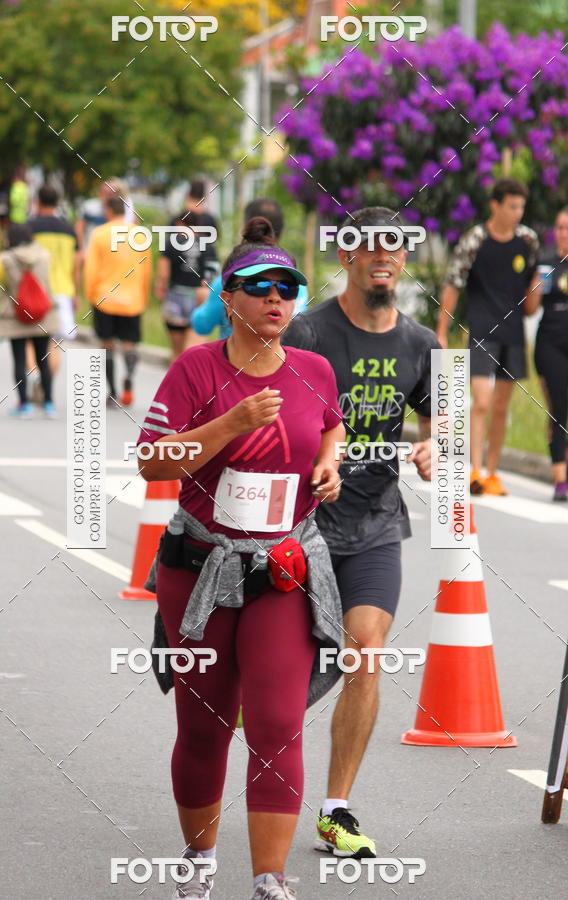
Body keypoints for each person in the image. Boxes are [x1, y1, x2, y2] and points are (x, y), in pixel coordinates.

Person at [138, 217, 346, 900]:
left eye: (288, 287)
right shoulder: (195, 368)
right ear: (228, 298)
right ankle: (198, 868)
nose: (277, 299)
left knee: (280, 724)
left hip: (282, 570)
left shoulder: (314, 370)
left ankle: (269, 881)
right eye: (260, 287)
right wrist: (229, 424)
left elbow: (333, 428)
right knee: (203, 728)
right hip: (199, 569)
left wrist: (327, 466)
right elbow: (150, 462)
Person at [283, 207, 437, 858]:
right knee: (283, 668)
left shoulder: (420, 344)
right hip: (301, 522)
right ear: (345, 257)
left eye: (395, 248)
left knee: (366, 652)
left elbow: (440, 420)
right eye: (370, 246)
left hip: (375, 522)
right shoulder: (308, 332)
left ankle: (336, 809)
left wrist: (435, 445)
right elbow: (273, 420)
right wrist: (316, 457)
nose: (384, 256)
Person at [436, 178, 540, 496]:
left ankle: (493, 472)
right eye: (511, 205)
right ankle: (474, 470)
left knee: (500, 407)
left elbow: (532, 285)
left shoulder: (528, 240)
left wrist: (536, 297)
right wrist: (441, 331)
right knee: (481, 401)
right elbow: (453, 284)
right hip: (482, 329)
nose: (517, 212)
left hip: (514, 333)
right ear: (495, 205)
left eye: (521, 206)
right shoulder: (475, 239)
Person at [191, 197, 308, 340]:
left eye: (287, 290)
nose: (275, 297)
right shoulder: (299, 286)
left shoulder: (224, 281)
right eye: (257, 287)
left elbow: (202, 325)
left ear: (246, 228)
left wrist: (203, 300)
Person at [0, 223, 58, 417]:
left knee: (19, 360)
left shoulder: (7, 259)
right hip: (42, 314)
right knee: (43, 359)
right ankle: (49, 403)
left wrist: (3, 254)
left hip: (16, 316)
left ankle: (24, 404)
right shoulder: (44, 255)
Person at [84, 195, 151, 406]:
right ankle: (129, 380)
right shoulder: (140, 235)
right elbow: (146, 270)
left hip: (105, 298)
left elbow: (90, 269)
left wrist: (91, 295)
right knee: (130, 344)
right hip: (133, 300)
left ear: (108, 211)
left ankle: (112, 391)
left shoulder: (99, 234)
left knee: (107, 344)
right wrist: (143, 296)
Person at [528, 208, 568, 501]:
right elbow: (529, 309)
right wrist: (534, 285)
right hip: (550, 343)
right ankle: (559, 478)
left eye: (567, 228)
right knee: (559, 406)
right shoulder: (545, 265)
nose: (562, 233)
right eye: (559, 227)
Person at [28, 184, 80, 386]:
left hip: (36, 291)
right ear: (58, 203)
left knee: (32, 340)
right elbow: (76, 265)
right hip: (63, 291)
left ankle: (34, 378)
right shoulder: (69, 230)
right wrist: (76, 293)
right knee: (55, 343)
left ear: (38, 201)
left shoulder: (30, 227)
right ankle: (46, 385)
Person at [155, 211, 220, 359]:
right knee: (192, 352)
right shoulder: (208, 246)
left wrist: (160, 288)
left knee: (176, 353)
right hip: (200, 299)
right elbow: (213, 276)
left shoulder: (171, 243)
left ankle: (176, 379)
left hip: (175, 297)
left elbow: (163, 274)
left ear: (180, 223)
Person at [75, 177, 136, 251]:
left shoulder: (124, 210)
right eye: (105, 192)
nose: (107, 196)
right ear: (100, 193)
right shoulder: (89, 206)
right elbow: (79, 227)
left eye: (111, 193)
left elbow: (132, 229)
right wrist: (81, 249)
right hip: (91, 250)